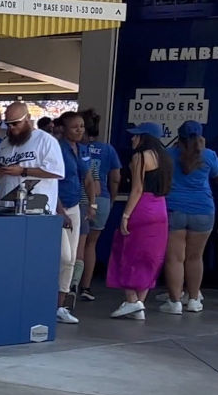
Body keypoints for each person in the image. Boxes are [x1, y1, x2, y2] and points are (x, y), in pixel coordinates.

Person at [157, 120, 218, 314]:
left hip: (174, 209)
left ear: (179, 137)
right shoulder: (209, 155)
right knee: (195, 258)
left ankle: (175, 302)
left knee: (175, 259)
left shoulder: (168, 155)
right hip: (203, 210)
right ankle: (194, 299)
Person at [108, 123, 172, 319]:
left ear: (145, 137)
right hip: (160, 208)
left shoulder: (140, 157)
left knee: (127, 251)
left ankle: (131, 300)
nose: (132, 139)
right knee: (150, 257)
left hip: (141, 208)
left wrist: (125, 215)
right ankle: (139, 304)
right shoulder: (165, 157)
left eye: (136, 136)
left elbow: (137, 189)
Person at [74, 109, 121, 300]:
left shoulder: (75, 148)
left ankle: (72, 285)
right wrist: (111, 199)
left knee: (77, 244)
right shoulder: (108, 149)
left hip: (80, 198)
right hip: (102, 199)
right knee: (91, 244)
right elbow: (116, 178)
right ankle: (86, 287)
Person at [52, 111, 86, 325]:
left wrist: (91, 203)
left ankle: (61, 306)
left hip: (75, 205)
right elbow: (53, 181)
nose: (80, 130)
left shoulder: (80, 149)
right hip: (58, 206)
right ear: (63, 129)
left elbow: (87, 176)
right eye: (75, 127)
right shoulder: (58, 148)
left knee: (72, 258)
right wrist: (60, 211)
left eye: (82, 126)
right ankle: (51, 301)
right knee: (63, 256)